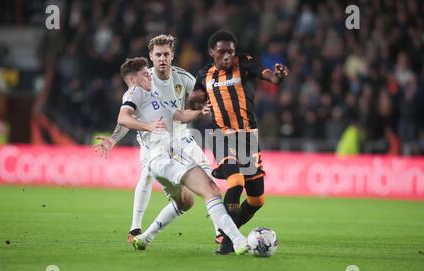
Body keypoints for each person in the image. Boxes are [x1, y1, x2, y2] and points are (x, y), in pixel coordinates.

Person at [96, 56, 248, 254]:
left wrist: (201, 112)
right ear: (133, 80)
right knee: (211, 189)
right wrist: (147, 126)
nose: (149, 77)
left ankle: (144, 237)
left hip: (162, 158)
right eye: (144, 74)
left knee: (186, 202)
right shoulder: (134, 92)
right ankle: (238, 241)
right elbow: (123, 117)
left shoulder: (153, 95)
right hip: (165, 154)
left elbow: (179, 115)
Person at [187, 30, 289, 254]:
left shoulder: (244, 63)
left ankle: (229, 234)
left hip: (247, 138)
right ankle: (227, 242)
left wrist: (278, 76)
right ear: (211, 51)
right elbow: (193, 100)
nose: (226, 56)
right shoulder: (204, 74)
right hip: (220, 135)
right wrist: (195, 104)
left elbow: (269, 76)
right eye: (221, 52)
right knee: (235, 182)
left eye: (230, 52)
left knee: (257, 200)